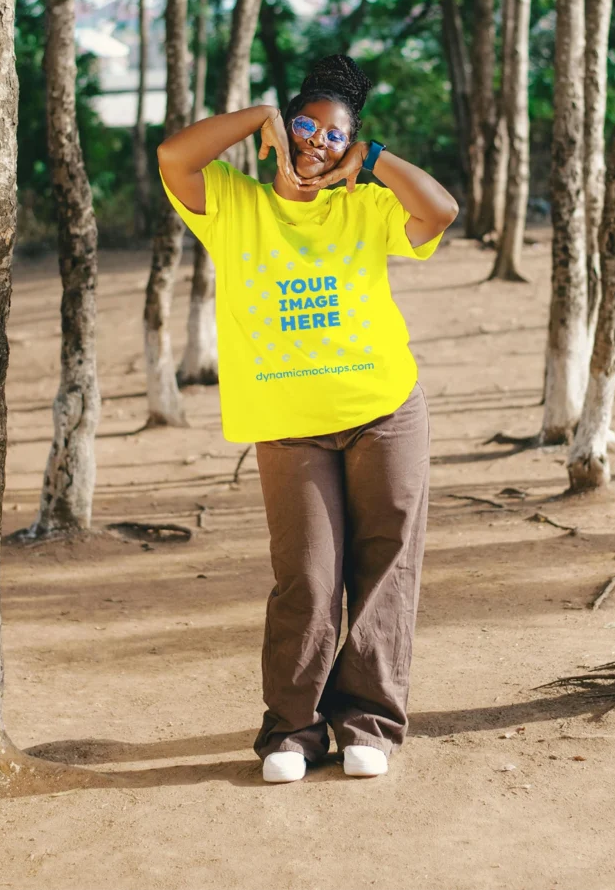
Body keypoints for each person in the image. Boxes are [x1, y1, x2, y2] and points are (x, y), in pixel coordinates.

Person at [157, 54, 458, 783]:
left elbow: (439, 210)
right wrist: (257, 117)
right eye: (303, 125)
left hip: (383, 410)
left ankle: (370, 724)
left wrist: (374, 160)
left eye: (335, 134)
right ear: (283, 130)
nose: (316, 142)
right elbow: (173, 155)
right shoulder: (234, 205)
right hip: (290, 426)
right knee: (308, 579)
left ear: (350, 144)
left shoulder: (364, 205)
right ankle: (292, 729)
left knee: (386, 567)